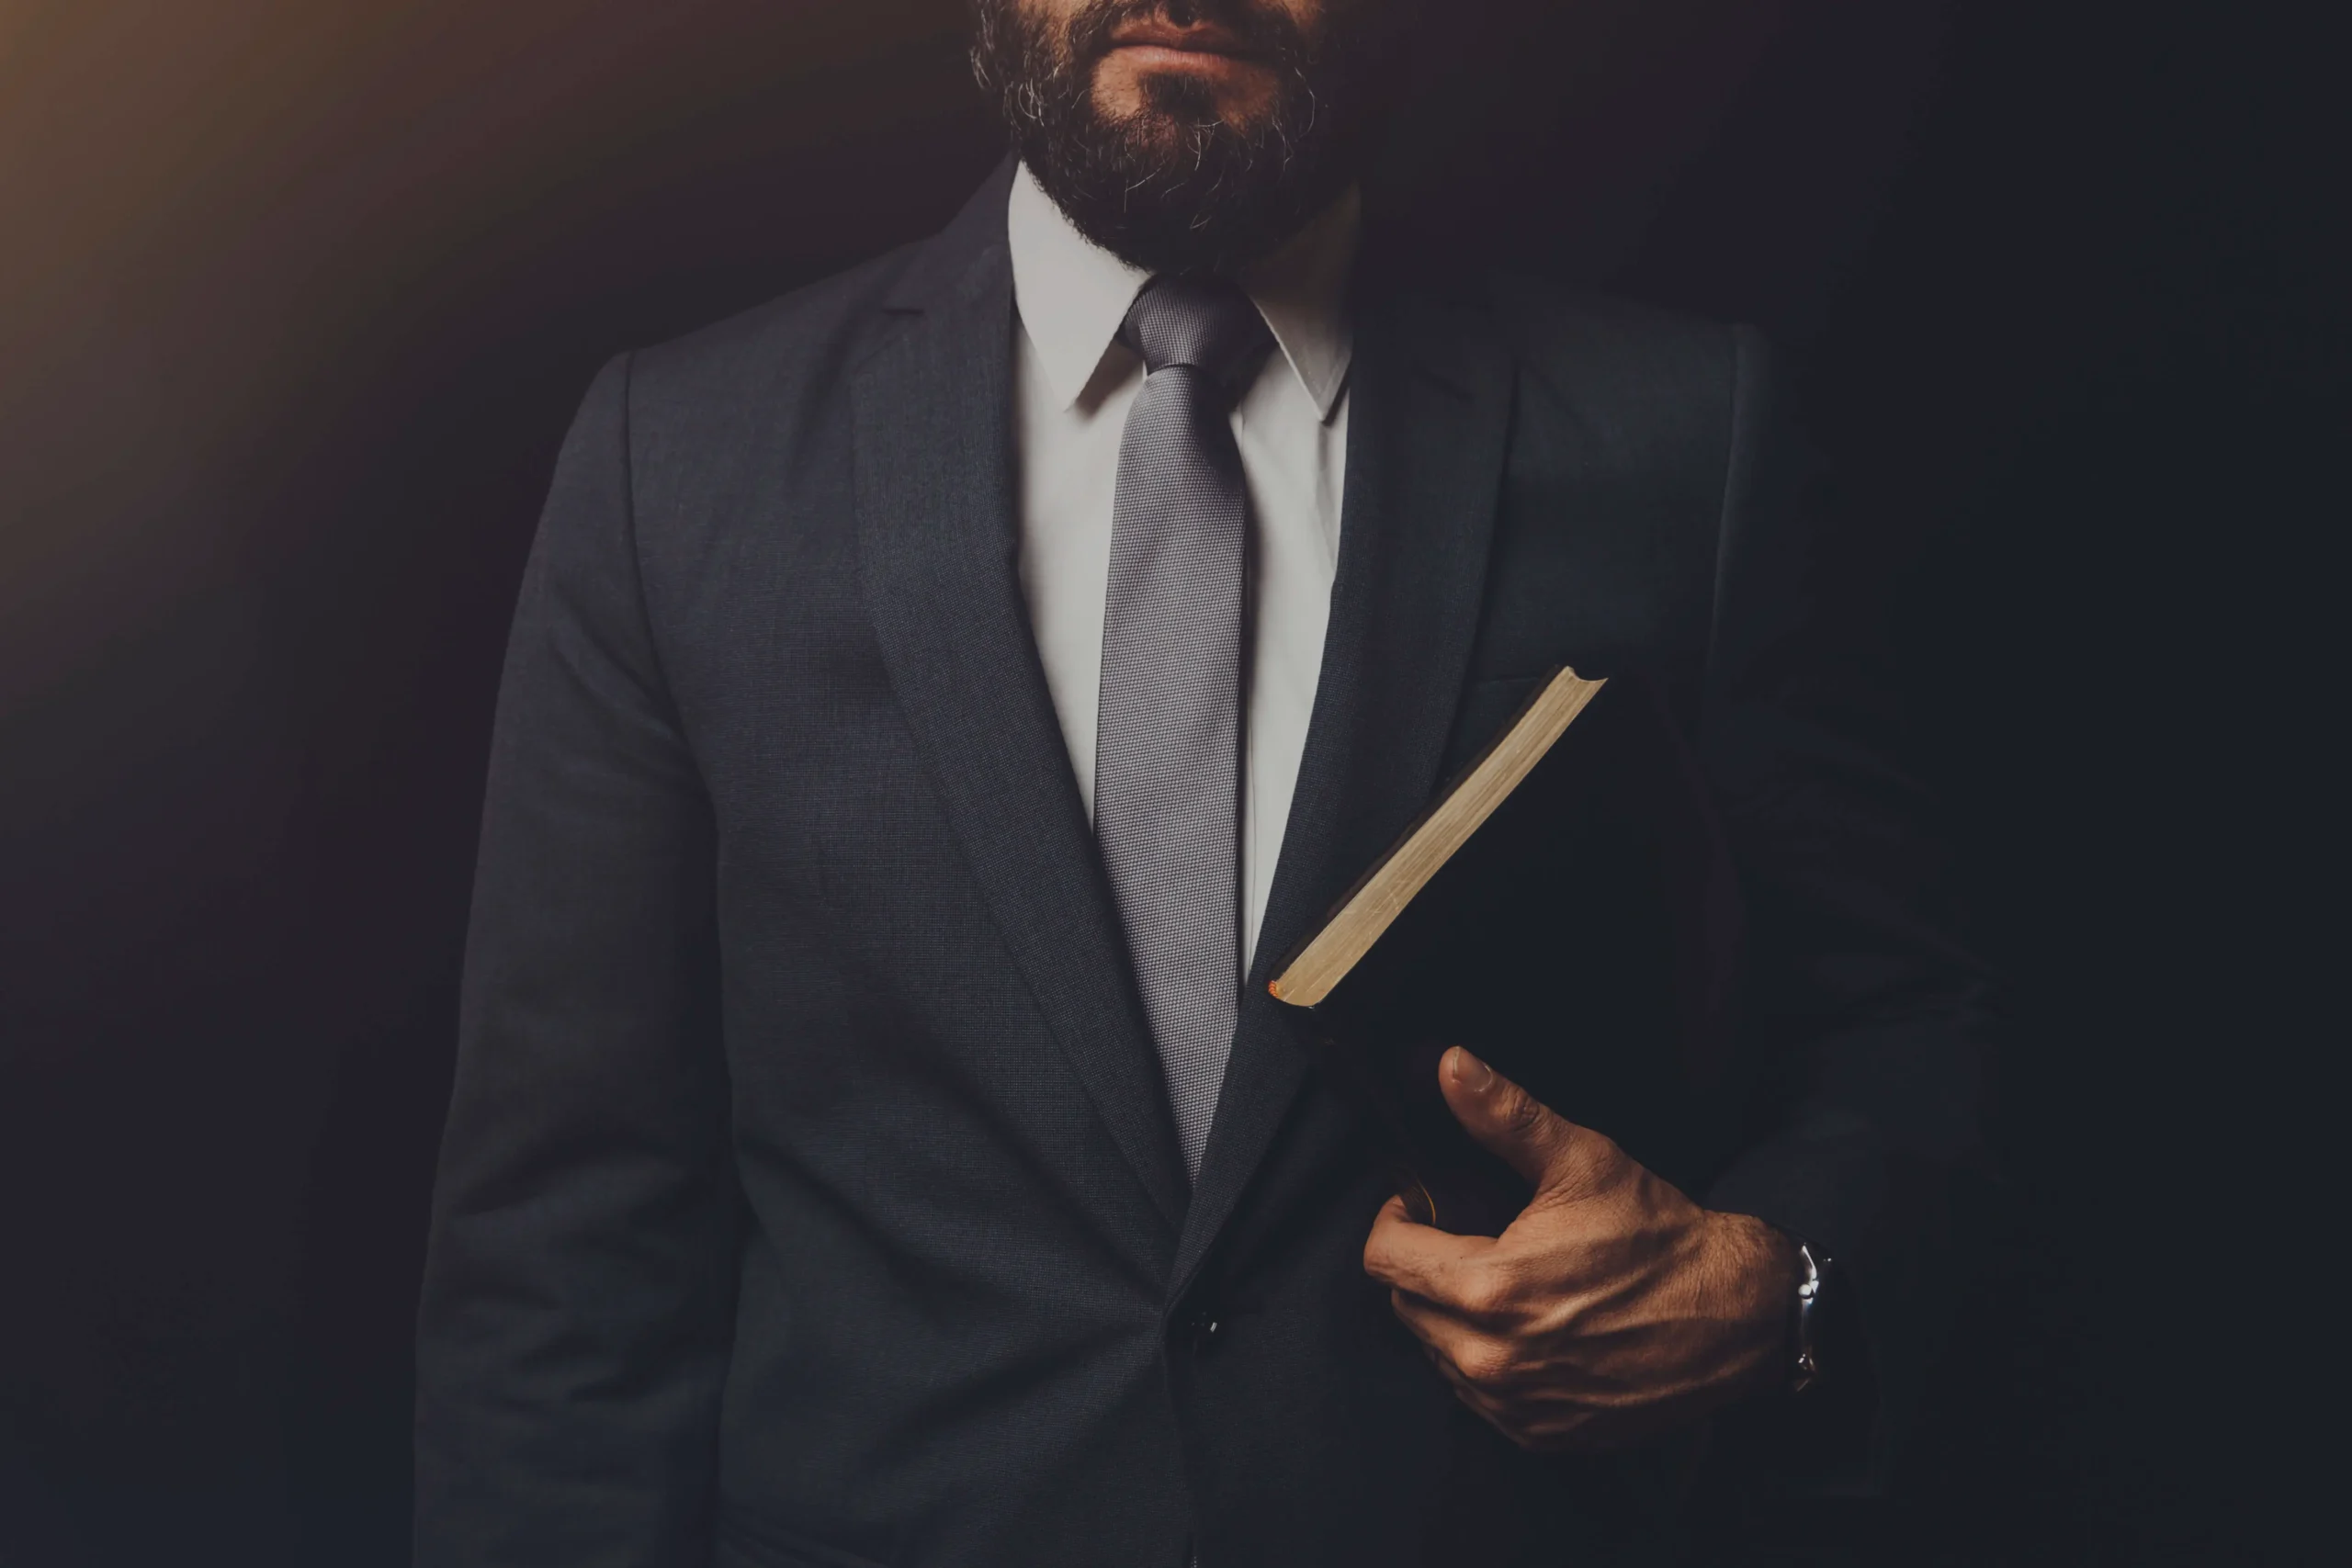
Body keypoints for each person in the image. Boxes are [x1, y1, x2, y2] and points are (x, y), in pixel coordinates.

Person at [413, 2, 1992, 1563]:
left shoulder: (1680, 440)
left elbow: (1899, 1033)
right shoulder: (676, 466)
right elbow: (568, 1250)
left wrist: (1778, 1290)